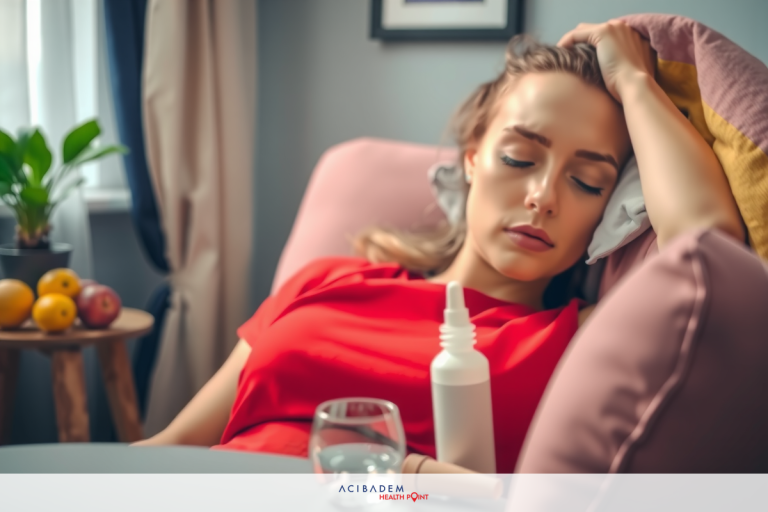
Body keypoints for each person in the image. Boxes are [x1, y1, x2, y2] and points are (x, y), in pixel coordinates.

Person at [134, 21, 744, 472]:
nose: (542, 196)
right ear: (473, 157)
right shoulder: (327, 282)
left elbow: (709, 252)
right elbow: (171, 450)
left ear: (608, 211)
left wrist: (635, 83)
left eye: (588, 181)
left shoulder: (576, 344)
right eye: (519, 157)